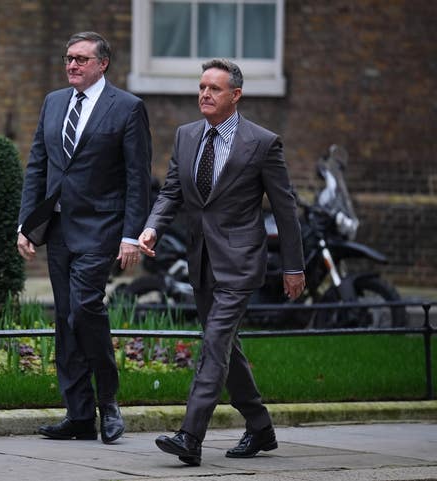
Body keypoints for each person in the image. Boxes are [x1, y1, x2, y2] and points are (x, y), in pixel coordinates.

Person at [138, 58, 305, 466]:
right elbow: (172, 191)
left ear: (236, 95)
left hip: (241, 260)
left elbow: (285, 210)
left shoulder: (263, 143)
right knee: (227, 345)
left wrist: (293, 266)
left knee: (213, 344)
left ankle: (190, 437)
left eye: (214, 88)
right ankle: (260, 427)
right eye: (201, 87)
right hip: (201, 260)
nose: (205, 95)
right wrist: (153, 227)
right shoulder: (186, 135)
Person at [17, 31, 151, 444]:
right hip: (58, 229)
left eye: (80, 59)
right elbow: (37, 164)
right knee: (64, 318)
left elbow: (136, 178)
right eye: (67, 58)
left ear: (102, 64)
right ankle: (78, 415)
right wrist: (25, 224)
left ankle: (108, 403)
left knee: (84, 308)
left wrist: (131, 236)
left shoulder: (128, 108)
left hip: (101, 230)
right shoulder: (54, 102)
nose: (71, 65)